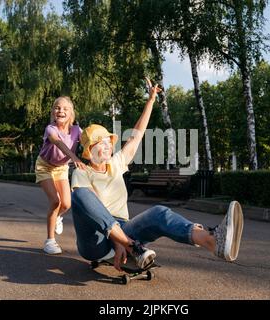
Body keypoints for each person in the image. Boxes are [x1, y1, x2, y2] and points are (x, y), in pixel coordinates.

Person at [70, 79, 244, 271]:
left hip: (124, 229)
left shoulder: (117, 163)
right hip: (95, 241)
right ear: (89, 150)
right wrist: (119, 240)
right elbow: (90, 206)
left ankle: (213, 241)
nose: (108, 145)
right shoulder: (82, 172)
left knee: (159, 213)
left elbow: (136, 135)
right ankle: (130, 245)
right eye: (101, 142)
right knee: (79, 195)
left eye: (108, 142)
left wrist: (151, 100)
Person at [35, 96, 87, 255]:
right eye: (57, 108)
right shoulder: (51, 129)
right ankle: (50, 241)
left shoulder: (77, 130)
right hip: (44, 167)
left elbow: (89, 141)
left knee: (66, 204)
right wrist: (74, 157)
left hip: (61, 168)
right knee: (55, 201)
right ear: (53, 112)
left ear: (71, 113)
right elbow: (58, 142)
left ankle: (56, 217)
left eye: (65, 108)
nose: (60, 111)